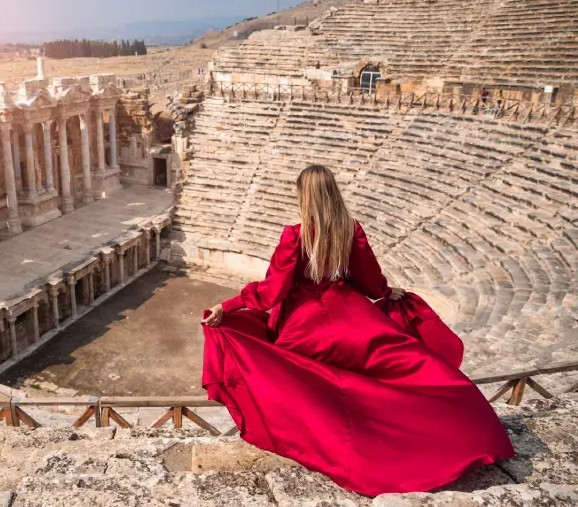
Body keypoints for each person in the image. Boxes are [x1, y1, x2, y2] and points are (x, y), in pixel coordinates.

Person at [201, 165, 514, 497]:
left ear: (303, 196)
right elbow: (367, 279)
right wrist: (386, 291)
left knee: (301, 379)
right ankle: (464, 434)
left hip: (304, 328)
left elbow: (270, 292)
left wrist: (229, 307)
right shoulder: (351, 230)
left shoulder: (295, 235)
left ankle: (339, 447)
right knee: (409, 374)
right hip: (354, 321)